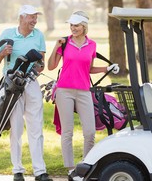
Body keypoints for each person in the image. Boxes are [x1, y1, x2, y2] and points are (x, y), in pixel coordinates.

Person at [47, 11, 119, 170]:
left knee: (89, 132)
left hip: (84, 91)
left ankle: (86, 165)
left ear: (84, 27)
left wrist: (107, 68)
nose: (73, 28)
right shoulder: (64, 43)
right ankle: (70, 168)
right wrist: (56, 46)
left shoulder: (92, 45)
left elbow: (89, 68)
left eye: (77, 25)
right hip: (64, 91)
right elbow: (51, 66)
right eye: (71, 25)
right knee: (68, 132)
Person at [0, 4, 53, 181]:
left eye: (36, 17)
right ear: (22, 17)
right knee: (16, 128)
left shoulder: (39, 35)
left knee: (36, 127)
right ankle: (17, 170)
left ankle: (40, 171)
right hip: (12, 86)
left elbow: (41, 64)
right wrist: (3, 53)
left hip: (31, 84)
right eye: (31, 17)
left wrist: (36, 68)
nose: (34, 20)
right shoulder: (7, 34)